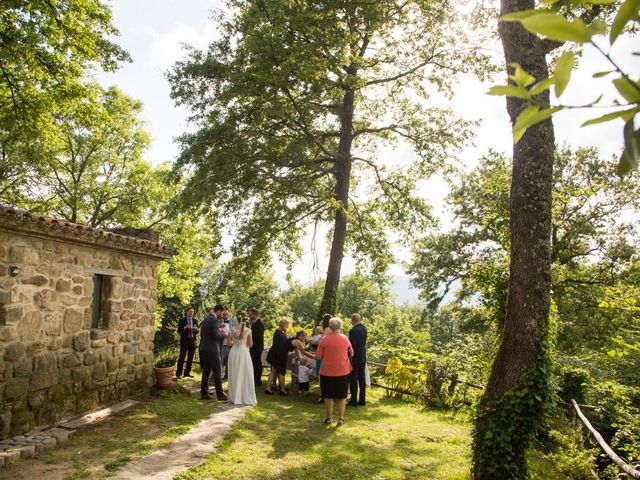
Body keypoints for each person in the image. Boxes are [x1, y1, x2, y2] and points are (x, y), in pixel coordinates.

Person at [316, 317, 353, 426]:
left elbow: (318, 356)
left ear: (330, 327)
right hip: (343, 371)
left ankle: (329, 418)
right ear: (340, 327)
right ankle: (341, 418)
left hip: (327, 372)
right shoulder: (345, 339)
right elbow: (351, 353)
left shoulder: (324, 340)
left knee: (328, 396)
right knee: (342, 396)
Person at [199, 304, 228, 401]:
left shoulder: (206, 319)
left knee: (206, 372)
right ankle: (220, 394)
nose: (222, 315)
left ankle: (204, 393)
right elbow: (216, 335)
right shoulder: (215, 320)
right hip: (212, 350)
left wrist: (218, 328)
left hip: (204, 348)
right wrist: (224, 334)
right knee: (217, 372)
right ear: (219, 311)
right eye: (222, 313)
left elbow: (205, 333)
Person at [226, 318, 257, 405]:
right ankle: (244, 397)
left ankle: (234, 397)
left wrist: (236, 343)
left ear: (237, 320)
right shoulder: (248, 330)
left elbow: (228, 344)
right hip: (244, 353)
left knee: (234, 374)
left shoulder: (231, 330)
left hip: (233, 353)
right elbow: (250, 344)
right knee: (245, 374)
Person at [265, 318, 291, 395]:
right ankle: (282, 389)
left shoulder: (278, 332)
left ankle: (268, 388)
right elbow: (285, 343)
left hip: (274, 354)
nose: (287, 326)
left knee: (273, 371)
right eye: (287, 325)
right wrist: (286, 334)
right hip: (278, 355)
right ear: (283, 324)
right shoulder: (279, 333)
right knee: (281, 372)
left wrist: (285, 332)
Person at [348, 313, 368, 407]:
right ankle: (362, 400)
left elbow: (352, 347)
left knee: (353, 379)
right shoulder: (364, 329)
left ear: (353, 320)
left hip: (355, 358)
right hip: (363, 356)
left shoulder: (353, 331)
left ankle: (353, 401)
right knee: (362, 379)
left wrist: (349, 357)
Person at [176, 306, 198, 379]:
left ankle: (187, 373)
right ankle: (179, 373)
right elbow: (179, 331)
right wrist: (185, 327)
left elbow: (197, 332)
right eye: (190, 311)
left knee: (190, 357)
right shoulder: (182, 320)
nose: (191, 313)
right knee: (182, 357)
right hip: (184, 341)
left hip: (192, 340)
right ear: (187, 312)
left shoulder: (195, 321)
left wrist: (196, 329)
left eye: (192, 311)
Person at [315, 313, 332, 403]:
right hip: (329, 355)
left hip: (323, 355)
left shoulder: (327, 330)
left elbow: (322, 342)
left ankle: (322, 395)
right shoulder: (333, 329)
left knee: (322, 375)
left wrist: (314, 342)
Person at [248, 308, 264, 386]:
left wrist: (250, 336)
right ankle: (254, 379)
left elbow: (259, 337)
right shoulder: (254, 323)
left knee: (257, 363)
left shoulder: (260, 323)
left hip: (257, 347)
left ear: (255, 314)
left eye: (250, 314)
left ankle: (258, 380)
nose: (249, 316)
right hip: (254, 347)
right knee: (254, 363)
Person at [220, 307, 237, 379]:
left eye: (226, 314)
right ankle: (218, 376)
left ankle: (228, 376)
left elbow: (236, 333)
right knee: (220, 361)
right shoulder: (218, 321)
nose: (225, 316)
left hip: (231, 345)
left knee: (229, 362)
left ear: (229, 313)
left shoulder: (234, 321)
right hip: (221, 344)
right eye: (224, 314)